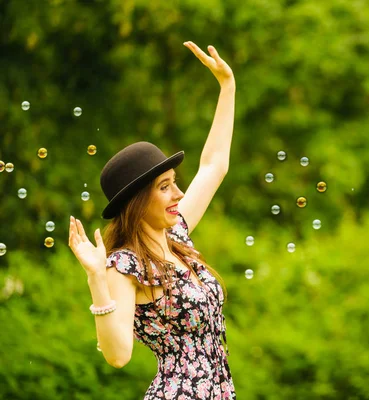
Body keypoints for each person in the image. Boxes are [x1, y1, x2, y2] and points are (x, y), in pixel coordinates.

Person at [68, 41, 236, 399]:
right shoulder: (125, 265)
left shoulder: (178, 236)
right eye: (165, 187)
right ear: (138, 201)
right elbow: (118, 355)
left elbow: (214, 165)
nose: (178, 194)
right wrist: (96, 277)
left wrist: (227, 87)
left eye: (175, 184)